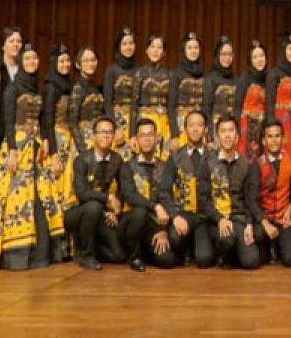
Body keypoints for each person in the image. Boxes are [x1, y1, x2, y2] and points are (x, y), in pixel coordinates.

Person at [0, 42, 67, 270]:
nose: (32, 63)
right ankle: (11, 254)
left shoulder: (38, 88)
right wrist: (12, 151)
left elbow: (45, 120)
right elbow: (7, 122)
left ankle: (40, 254)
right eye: (27, 59)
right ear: (21, 63)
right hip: (17, 148)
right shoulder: (13, 88)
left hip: (36, 149)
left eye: (35, 59)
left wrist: (45, 139)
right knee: (13, 197)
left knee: (42, 195)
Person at [63, 115, 125, 270]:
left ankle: (89, 246)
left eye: (109, 132)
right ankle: (86, 255)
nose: (106, 136)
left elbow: (124, 189)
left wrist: (116, 211)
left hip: (103, 214)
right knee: (93, 207)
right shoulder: (82, 159)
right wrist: (107, 198)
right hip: (78, 211)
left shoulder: (117, 159)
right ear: (94, 135)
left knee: (119, 256)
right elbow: (82, 193)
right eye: (102, 132)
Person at [199, 116, 261, 270]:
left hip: (238, 218)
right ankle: (221, 251)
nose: (227, 135)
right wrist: (219, 219)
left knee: (251, 262)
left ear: (237, 136)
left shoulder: (247, 164)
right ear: (217, 136)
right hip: (215, 219)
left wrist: (248, 223)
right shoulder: (207, 162)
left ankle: (233, 252)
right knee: (204, 258)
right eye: (223, 131)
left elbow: (250, 199)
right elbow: (203, 199)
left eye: (231, 131)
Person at [119, 118, 175, 271]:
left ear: (157, 138)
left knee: (167, 261)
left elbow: (169, 197)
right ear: (136, 139)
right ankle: (134, 257)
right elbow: (130, 195)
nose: (147, 139)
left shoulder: (165, 166)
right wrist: (155, 206)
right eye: (143, 135)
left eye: (150, 135)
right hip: (132, 222)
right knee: (140, 212)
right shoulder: (127, 166)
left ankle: (146, 251)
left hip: (154, 224)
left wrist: (163, 230)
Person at [159, 110, 213, 267]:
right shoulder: (175, 156)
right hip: (183, 214)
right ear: (185, 129)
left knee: (204, 260)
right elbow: (164, 191)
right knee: (175, 238)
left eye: (200, 125)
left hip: (204, 216)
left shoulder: (213, 155)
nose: (195, 129)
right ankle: (185, 249)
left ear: (206, 129)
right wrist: (174, 216)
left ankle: (199, 246)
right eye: (191, 125)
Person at [247, 121, 291, 267]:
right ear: (264, 140)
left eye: (277, 136)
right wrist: (264, 222)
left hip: (283, 217)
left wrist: (290, 206)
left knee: (290, 260)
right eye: (270, 136)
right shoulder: (256, 165)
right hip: (264, 218)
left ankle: (280, 245)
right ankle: (268, 248)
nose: (274, 140)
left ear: (283, 139)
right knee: (259, 236)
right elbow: (251, 199)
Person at [42, 44, 77, 220]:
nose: (65, 64)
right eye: (61, 61)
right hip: (56, 139)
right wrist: (54, 155)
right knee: (55, 186)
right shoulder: (51, 87)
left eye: (67, 60)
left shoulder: (67, 84)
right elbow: (47, 121)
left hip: (67, 139)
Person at [135, 35, 173, 152]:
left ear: (164, 52)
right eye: (152, 47)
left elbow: (172, 105)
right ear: (147, 50)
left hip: (165, 122)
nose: (155, 51)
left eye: (159, 47)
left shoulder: (170, 75)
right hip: (145, 120)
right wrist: (132, 133)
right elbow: (134, 105)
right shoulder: (140, 73)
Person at [168, 32, 206, 149]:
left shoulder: (204, 75)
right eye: (189, 48)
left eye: (196, 48)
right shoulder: (176, 74)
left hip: (200, 126)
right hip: (181, 126)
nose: (193, 51)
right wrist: (174, 133)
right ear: (184, 50)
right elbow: (170, 106)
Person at [104, 27, 138, 156]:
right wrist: (115, 128)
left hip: (134, 121)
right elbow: (107, 101)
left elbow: (137, 102)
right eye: (124, 44)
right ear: (118, 46)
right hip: (117, 121)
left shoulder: (139, 70)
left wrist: (134, 133)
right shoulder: (111, 70)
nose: (128, 47)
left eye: (131, 43)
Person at [235, 40, 269, 159]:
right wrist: (237, 130)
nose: (259, 59)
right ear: (250, 61)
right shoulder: (245, 78)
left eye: (261, 56)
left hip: (263, 126)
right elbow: (237, 106)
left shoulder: (269, 77)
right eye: (255, 57)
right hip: (247, 126)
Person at [0, 26, 24, 149]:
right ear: (3, 45)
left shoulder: (24, 71)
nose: (16, 44)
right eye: (11, 41)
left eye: (19, 41)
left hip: (19, 129)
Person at [68, 45, 105, 150]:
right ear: (78, 65)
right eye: (86, 61)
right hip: (83, 141)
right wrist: (82, 149)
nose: (90, 64)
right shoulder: (78, 88)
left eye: (93, 60)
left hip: (98, 139)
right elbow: (72, 122)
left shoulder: (96, 87)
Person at [203, 36, 237, 130]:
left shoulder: (237, 80)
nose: (227, 58)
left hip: (233, 129)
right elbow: (206, 109)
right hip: (216, 128)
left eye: (230, 54)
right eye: (223, 54)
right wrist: (209, 134)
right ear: (217, 56)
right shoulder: (210, 78)